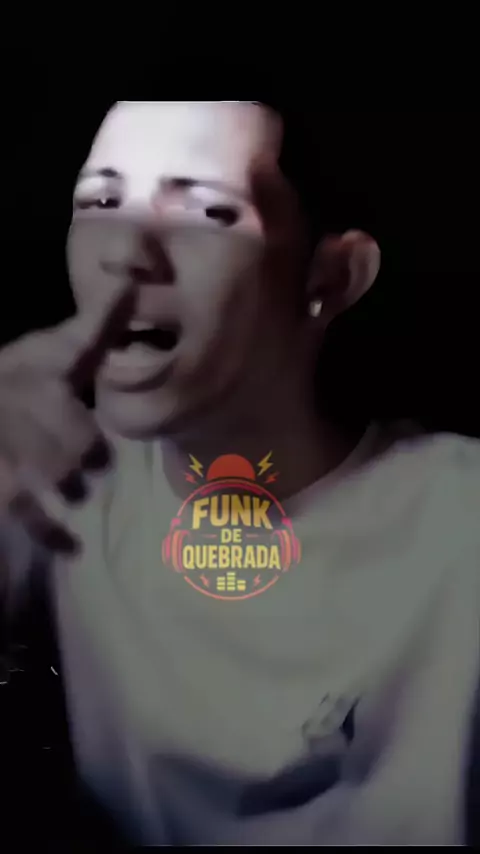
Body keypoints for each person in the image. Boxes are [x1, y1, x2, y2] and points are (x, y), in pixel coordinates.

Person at [0, 100, 479, 846]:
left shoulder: (460, 522)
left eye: (208, 213)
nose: (125, 251)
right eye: (100, 202)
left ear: (334, 276)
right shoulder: (58, 485)